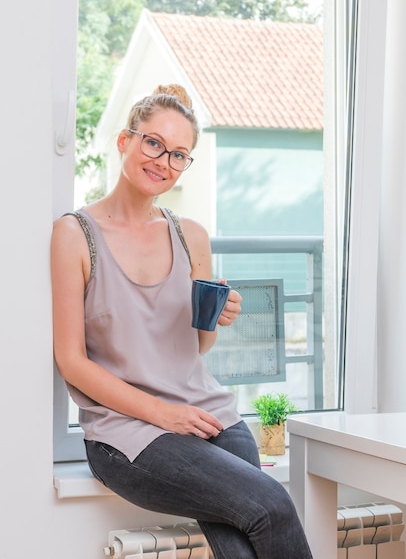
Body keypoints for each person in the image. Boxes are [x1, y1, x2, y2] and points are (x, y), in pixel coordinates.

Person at [51, 84, 313, 559]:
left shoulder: (190, 235)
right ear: (125, 140)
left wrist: (218, 318)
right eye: (153, 143)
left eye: (178, 154)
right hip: (125, 433)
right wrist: (161, 413)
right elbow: (71, 362)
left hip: (207, 415)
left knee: (240, 540)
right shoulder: (73, 235)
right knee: (270, 505)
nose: (162, 162)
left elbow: (194, 348)